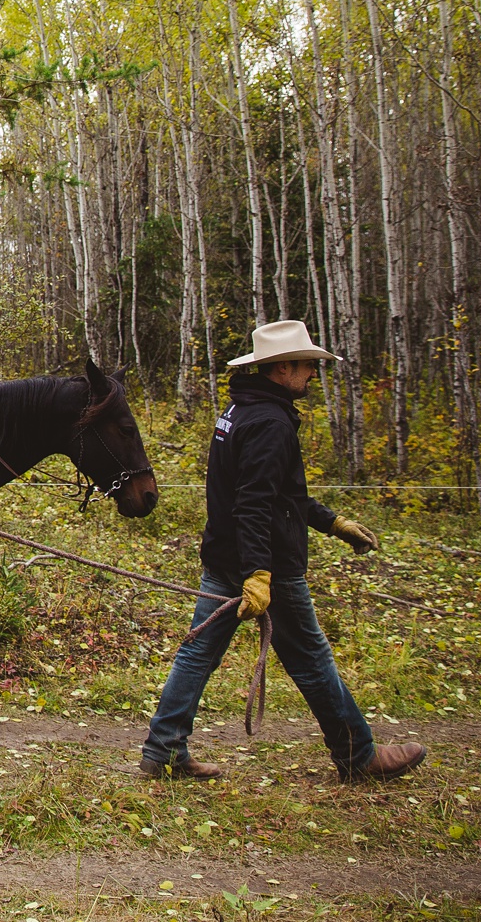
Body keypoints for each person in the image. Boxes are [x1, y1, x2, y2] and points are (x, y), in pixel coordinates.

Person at [140, 320, 425, 783]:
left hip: (228, 556)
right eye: (309, 365)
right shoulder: (270, 422)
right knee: (311, 659)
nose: (314, 373)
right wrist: (259, 572)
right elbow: (253, 504)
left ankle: (164, 748)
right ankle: (358, 756)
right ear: (282, 367)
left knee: (198, 653)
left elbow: (276, 495)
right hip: (265, 564)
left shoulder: (241, 410)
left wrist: (333, 522)